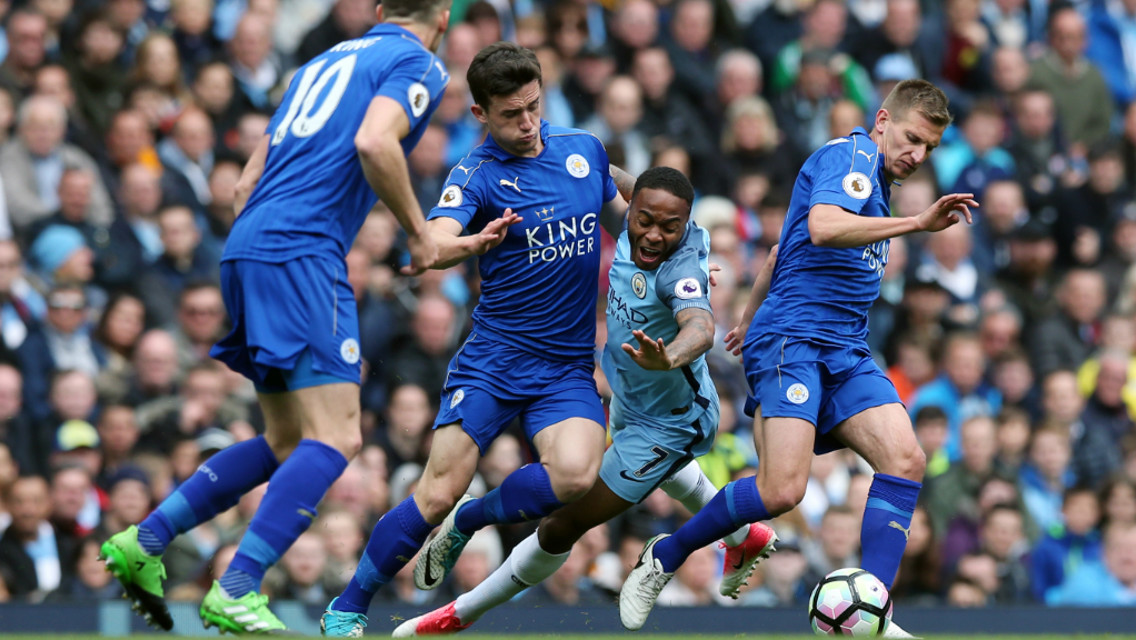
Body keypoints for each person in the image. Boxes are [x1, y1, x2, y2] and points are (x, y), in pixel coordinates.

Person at [98, 1, 471, 633]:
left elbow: (247, 182)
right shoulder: (417, 63)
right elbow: (374, 141)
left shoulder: (316, 65)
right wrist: (419, 234)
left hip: (246, 246)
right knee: (338, 437)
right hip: (303, 252)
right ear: (441, 17)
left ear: (380, 8)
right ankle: (238, 585)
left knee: (288, 440)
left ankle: (146, 542)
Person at [619, 79, 976, 636]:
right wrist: (916, 224)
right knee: (782, 490)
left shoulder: (875, 184)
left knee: (906, 460)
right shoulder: (850, 155)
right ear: (882, 121)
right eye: (911, 138)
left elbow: (784, 248)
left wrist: (747, 314)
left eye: (928, 148)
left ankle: (874, 615)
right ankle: (666, 555)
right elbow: (822, 227)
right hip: (795, 342)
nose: (917, 154)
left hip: (844, 347)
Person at [319, 41, 631, 636]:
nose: (528, 123)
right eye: (511, 114)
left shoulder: (583, 150)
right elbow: (432, 244)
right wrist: (472, 243)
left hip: (565, 367)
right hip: (493, 360)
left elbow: (627, 209)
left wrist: (676, 244)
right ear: (481, 115)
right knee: (433, 493)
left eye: (534, 106)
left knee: (574, 479)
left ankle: (471, 521)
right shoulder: (478, 175)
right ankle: (349, 606)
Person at [388, 167, 779, 637]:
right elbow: (608, 174)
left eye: (670, 227)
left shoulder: (680, 272)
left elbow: (699, 326)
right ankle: (744, 533)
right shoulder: (635, 219)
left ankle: (460, 592)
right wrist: (568, 153)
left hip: (672, 422)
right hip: (630, 400)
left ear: (686, 224)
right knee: (667, 474)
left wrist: (669, 355)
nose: (654, 235)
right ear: (629, 208)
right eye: (645, 220)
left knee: (561, 524)